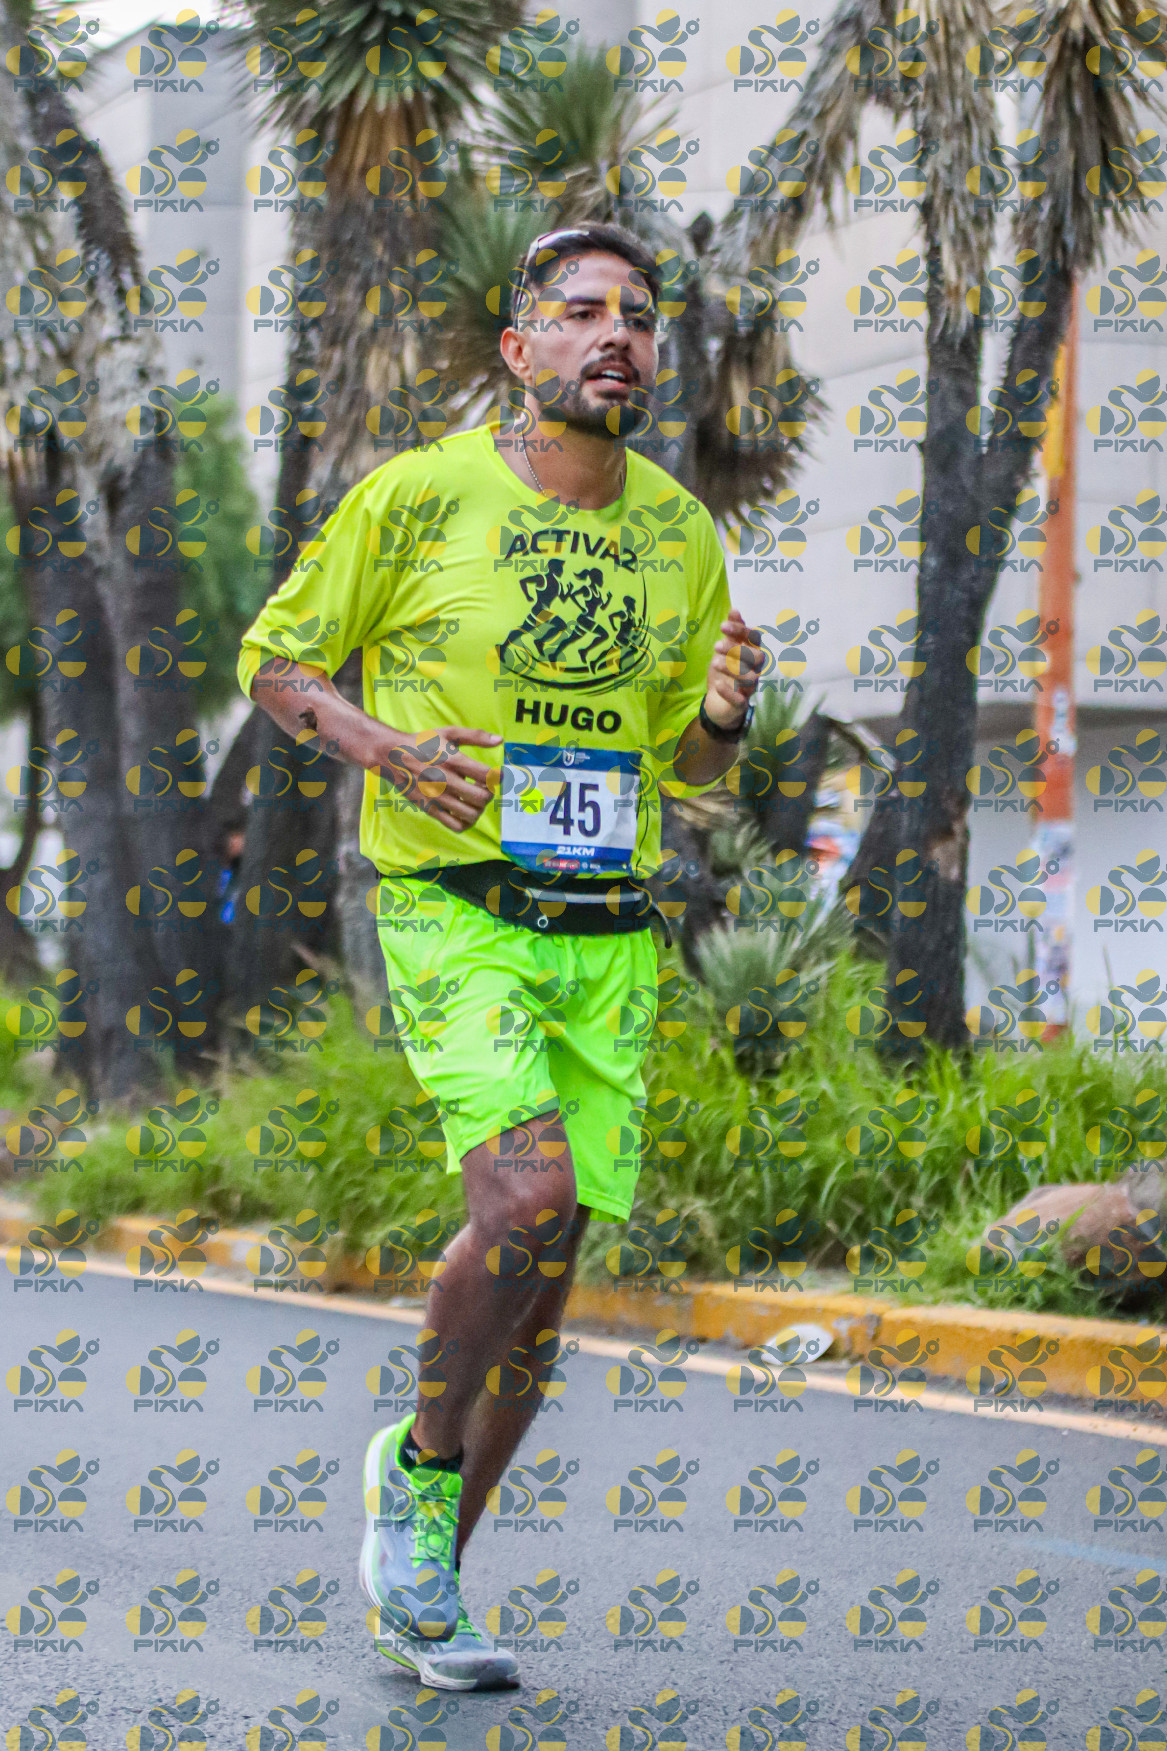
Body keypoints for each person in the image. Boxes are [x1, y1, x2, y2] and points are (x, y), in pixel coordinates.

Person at [238, 220, 762, 1692]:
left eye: (638, 316)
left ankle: (429, 1582)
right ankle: (417, 1466)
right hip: (455, 904)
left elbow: (685, 764)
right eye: (582, 312)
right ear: (522, 349)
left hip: (607, 934)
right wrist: (386, 748)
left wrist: (724, 715)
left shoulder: (679, 533)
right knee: (525, 1199)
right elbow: (276, 661)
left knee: (547, 1275)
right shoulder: (419, 495)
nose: (617, 336)